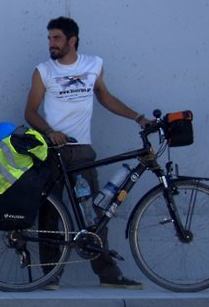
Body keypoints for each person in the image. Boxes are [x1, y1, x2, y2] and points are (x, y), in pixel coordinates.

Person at [24, 16, 146, 290]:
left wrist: (138, 117)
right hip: (53, 152)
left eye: (56, 38)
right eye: (49, 38)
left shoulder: (93, 65)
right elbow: (30, 111)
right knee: (49, 213)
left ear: (72, 40)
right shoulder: (43, 71)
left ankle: (107, 273)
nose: (51, 44)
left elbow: (105, 97)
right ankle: (49, 274)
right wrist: (49, 131)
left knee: (93, 214)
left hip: (81, 152)